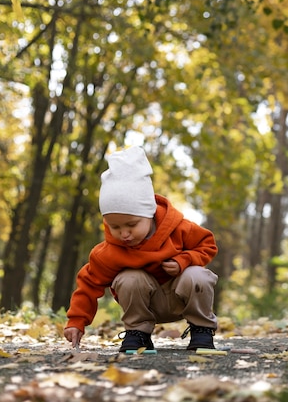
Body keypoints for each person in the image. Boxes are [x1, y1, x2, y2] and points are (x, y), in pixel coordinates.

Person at [64, 146, 219, 352]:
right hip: (145, 305)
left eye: (132, 224)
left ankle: (202, 330)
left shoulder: (178, 229)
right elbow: (88, 284)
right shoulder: (108, 252)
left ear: (149, 212)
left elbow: (208, 244)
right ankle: (138, 334)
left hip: (182, 297)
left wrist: (184, 260)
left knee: (197, 275)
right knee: (129, 278)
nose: (124, 234)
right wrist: (76, 321)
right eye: (115, 227)